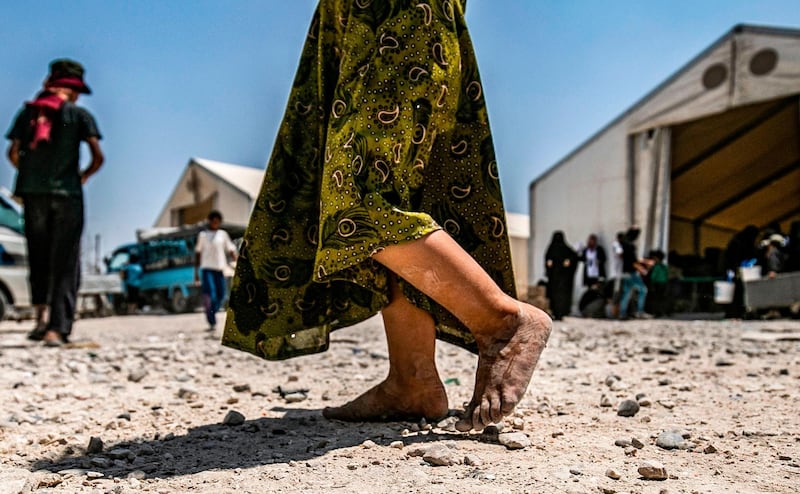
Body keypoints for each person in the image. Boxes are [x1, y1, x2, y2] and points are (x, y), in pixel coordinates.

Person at [222, 0, 552, 431]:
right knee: (403, 197)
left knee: (357, 199)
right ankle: (411, 379)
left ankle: (500, 320)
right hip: (368, 24)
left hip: (396, 18)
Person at [5, 59, 104, 346]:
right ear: (73, 90)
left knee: (39, 256)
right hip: (67, 195)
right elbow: (98, 157)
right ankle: (57, 329)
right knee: (64, 261)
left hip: (33, 195)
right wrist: (81, 177)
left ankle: (40, 320)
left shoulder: (28, 113)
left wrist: (32, 174)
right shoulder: (79, 115)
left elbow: (12, 153)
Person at [194, 210, 238, 331]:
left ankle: (210, 311)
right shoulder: (202, 235)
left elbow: (231, 250)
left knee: (221, 296)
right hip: (207, 269)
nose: (215, 223)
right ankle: (211, 319)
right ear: (209, 221)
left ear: (219, 222)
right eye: (213, 221)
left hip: (219, 269)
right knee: (211, 295)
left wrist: (237, 263)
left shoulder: (222, 234)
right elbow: (198, 254)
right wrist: (196, 273)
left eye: (217, 221)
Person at [545, 231, 579, 320]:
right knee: (554, 295)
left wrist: (569, 261)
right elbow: (547, 258)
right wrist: (548, 262)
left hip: (563, 279)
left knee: (562, 296)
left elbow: (574, 257)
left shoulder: (566, 249)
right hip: (554, 278)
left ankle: (561, 313)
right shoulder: (551, 249)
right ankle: (555, 313)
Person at [618, 227, 650, 320]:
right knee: (643, 290)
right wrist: (642, 270)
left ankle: (622, 313)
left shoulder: (623, 244)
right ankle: (640, 312)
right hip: (632, 272)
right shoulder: (630, 246)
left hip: (625, 272)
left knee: (627, 293)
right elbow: (634, 262)